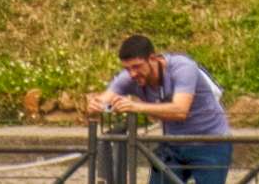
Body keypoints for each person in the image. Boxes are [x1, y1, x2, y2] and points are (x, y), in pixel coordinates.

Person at [91, 31, 231, 184]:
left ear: (153, 59)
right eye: (127, 68)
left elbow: (180, 110)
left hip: (211, 143)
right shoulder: (130, 77)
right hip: (173, 145)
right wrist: (95, 105)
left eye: (137, 67)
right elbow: (102, 100)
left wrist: (136, 107)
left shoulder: (183, 68)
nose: (132, 73)